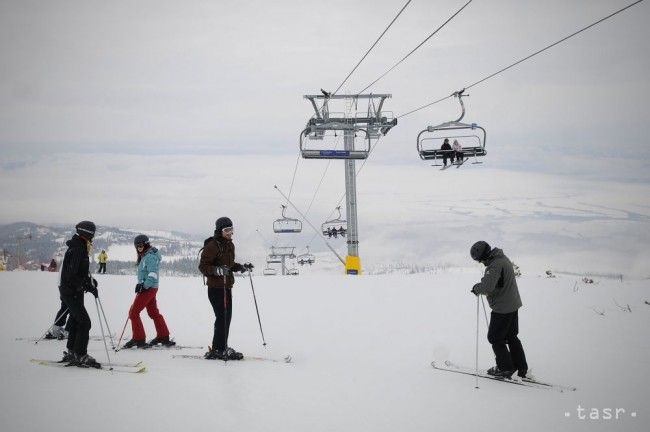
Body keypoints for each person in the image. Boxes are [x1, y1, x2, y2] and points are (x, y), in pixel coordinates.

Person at [470, 241, 528, 379]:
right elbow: (498, 283)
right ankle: (520, 368)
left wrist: (477, 288)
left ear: (482, 256)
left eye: (479, 259)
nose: (480, 262)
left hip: (503, 308)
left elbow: (487, 287)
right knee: (511, 336)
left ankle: (506, 369)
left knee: (495, 338)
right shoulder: (502, 258)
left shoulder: (494, 265)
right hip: (512, 304)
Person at [199, 217, 254, 360]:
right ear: (219, 231)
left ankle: (221, 346)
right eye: (226, 230)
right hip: (216, 288)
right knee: (222, 317)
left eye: (231, 229)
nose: (230, 233)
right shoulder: (212, 245)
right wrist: (217, 271)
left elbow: (229, 265)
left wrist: (241, 267)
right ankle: (218, 349)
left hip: (227, 286)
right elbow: (203, 266)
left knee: (226, 317)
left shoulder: (230, 245)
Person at [58, 221, 101, 368]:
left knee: (77, 321)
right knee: (84, 322)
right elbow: (71, 275)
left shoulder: (79, 246)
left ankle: (72, 351)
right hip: (71, 292)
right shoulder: (78, 249)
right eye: (93, 233)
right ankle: (80, 354)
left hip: (73, 290)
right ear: (87, 233)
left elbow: (79, 272)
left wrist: (90, 282)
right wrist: (87, 285)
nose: (94, 236)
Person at [122, 235, 174, 348]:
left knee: (133, 313)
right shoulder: (145, 255)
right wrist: (141, 284)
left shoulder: (150, 257)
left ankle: (138, 339)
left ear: (146, 244)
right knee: (153, 312)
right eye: (137, 246)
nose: (139, 248)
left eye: (141, 245)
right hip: (149, 288)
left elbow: (152, 274)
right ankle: (163, 336)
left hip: (149, 288)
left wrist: (144, 286)